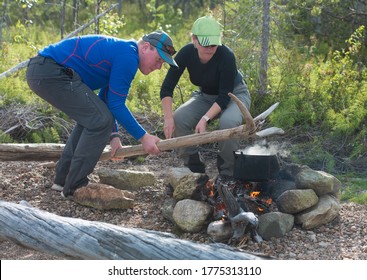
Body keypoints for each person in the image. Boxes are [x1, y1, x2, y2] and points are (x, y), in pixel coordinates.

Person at [26, 30, 178, 197]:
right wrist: (143, 137)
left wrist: (114, 136)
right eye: (158, 60)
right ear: (146, 47)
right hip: (50, 71)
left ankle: (63, 180)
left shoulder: (125, 52)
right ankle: (75, 186)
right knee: (99, 120)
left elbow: (106, 100)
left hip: (43, 70)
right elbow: (116, 104)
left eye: (162, 63)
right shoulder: (128, 56)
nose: (158, 67)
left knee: (93, 118)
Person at [160, 16, 251, 180]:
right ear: (194, 39)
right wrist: (168, 118)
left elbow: (224, 96)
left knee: (228, 124)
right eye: (205, 44)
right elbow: (167, 87)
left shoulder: (226, 55)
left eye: (214, 44)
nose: (210, 48)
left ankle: (227, 173)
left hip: (234, 95)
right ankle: (194, 168)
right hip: (206, 95)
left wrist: (205, 118)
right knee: (179, 119)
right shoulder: (186, 53)